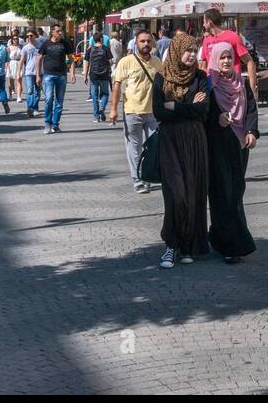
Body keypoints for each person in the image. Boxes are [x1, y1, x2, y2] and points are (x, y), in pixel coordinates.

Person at [152, 32, 211, 269]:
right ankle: (170, 245)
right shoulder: (161, 77)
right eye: (187, 50)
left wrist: (175, 106)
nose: (191, 55)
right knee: (176, 195)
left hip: (195, 140)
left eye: (194, 51)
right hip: (171, 141)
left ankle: (187, 246)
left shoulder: (200, 77)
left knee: (193, 194)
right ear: (176, 50)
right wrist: (187, 106)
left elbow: (204, 110)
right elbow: (158, 110)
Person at [205, 43, 258, 263]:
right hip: (218, 146)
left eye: (229, 57)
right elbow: (202, 114)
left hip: (239, 145)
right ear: (215, 60)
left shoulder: (242, 83)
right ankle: (231, 245)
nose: (226, 61)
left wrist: (252, 131)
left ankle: (226, 239)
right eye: (222, 58)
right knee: (223, 193)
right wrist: (216, 119)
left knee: (236, 191)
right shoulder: (209, 85)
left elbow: (252, 109)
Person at [110, 29, 162, 194]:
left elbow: (163, 86)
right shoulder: (126, 61)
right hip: (132, 111)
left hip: (153, 112)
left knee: (153, 147)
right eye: (142, 41)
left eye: (148, 41)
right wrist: (113, 110)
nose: (146, 44)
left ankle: (147, 175)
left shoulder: (157, 62)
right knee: (134, 147)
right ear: (136, 42)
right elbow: (117, 85)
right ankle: (137, 179)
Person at [199, 9, 257, 96]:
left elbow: (250, 62)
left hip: (232, 89)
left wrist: (253, 89)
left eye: (204, 22)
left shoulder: (233, 37)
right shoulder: (206, 40)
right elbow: (203, 67)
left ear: (209, 22)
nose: (203, 25)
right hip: (213, 89)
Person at [36, 25, 72, 133]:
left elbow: (71, 58)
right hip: (48, 75)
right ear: (52, 32)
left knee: (59, 102)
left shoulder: (65, 43)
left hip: (61, 75)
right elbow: (39, 58)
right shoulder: (46, 43)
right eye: (58, 31)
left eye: (60, 31)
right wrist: (38, 75)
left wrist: (72, 73)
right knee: (49, 99)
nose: (60, 33)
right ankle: (48, 123)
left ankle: (55, 124)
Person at [84, 33, 113, 123]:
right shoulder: (105, 48)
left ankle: (96, 117)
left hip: (93, 75)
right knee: (105, 94)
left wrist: (85, 75)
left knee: (94, 96)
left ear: (93, 39)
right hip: (104, 75)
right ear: (101, 39)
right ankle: (102, 108)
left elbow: (87, 63)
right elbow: (111, 61)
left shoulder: (90, 50)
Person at [21, 30, 40, 119]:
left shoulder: (40, 46)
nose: (29, 37)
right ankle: (30, 108)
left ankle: (35, 108)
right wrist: (18, 72)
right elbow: (22, 60)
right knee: (30, 91)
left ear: (35, 36)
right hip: (28, 72)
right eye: (28, 36)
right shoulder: (25, 47)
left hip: (39, 72)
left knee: (37, 92)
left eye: (31, 35)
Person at [6, 36, 23, 102]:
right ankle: (10, 95)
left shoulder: (21, 47)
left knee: (19, 80)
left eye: (17, 39)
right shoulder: (9, 48)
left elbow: (23, 56)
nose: (15, 40)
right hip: (12, 63)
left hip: (19, 63)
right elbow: (7, 58)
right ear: (12, 40)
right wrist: (7, 67)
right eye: (14, 39)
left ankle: (19, 97)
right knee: (11, 81)